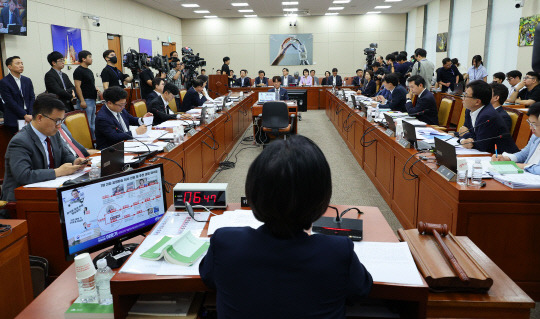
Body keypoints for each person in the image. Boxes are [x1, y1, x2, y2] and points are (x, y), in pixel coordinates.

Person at [199, 135, 373, 318]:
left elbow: (209, 278)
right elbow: (361, 289)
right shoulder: (338, 251)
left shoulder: (225, 243)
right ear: (321, 196)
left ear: (253, 192)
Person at [0, 94, 86, 209]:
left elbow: (65, 156)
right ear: (40, 118)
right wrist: (58, 172)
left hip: (48, 193)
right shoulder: (20, 141)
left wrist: (75, 162)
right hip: (20, 202)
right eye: (57, 121)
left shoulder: (53, 134)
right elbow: (24, 176)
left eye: (62, 120)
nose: (59, 125)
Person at [458, 81, 519, 153]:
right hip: (484, 153)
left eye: (466, 95)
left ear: (477, 102)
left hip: (501, 157)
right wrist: (463, 139)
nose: (463, 98)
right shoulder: (469, 110)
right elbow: (465, 131)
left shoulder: (487, 115)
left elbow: (481, 144)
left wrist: (464, 135)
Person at [492, 102, 540, 175]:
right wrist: (506, 159)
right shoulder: (536, 136)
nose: (531, 128)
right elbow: (524, 154)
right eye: (530, 123)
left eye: (534, 124)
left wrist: (524, 166)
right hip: (526, 176)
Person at [0, 55, 35, 133]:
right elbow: (9, 101)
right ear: (10, 67)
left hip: (29, 116)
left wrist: (30, 113)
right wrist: (24, 115)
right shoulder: (4, 82)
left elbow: (32, 97)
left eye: (22, 63)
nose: (21, 66)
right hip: (14, 118)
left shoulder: (27, 80)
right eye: (17, 63)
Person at [73, 50, 99, 137]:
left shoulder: (89, 71)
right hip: (86, 100)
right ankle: (89, 142)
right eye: (90, 57)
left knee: (93, 124)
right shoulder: (78, 71)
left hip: (92, 100)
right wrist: (82, 100)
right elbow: (77, 86)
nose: (92, 59)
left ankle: (94, 141)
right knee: (87, 124)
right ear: (83, 59)